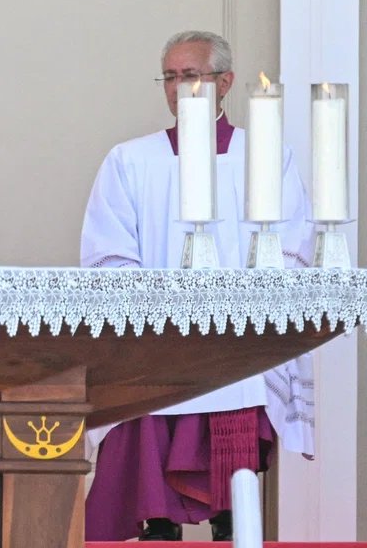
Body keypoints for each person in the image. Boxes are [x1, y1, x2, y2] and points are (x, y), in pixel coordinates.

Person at [80, 30, 315, 542]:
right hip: (157, 340)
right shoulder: (131, 160)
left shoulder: (266, 156)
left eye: (190, 74)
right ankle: (158, 529)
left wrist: (242, 307)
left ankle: (233, 527)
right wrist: (162, 312)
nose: (177, 85)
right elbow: (108, 250)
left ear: (225, 81)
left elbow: (293, 241)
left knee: (235, 438)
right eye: (169, 76)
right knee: (148, 439)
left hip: (235, 341)